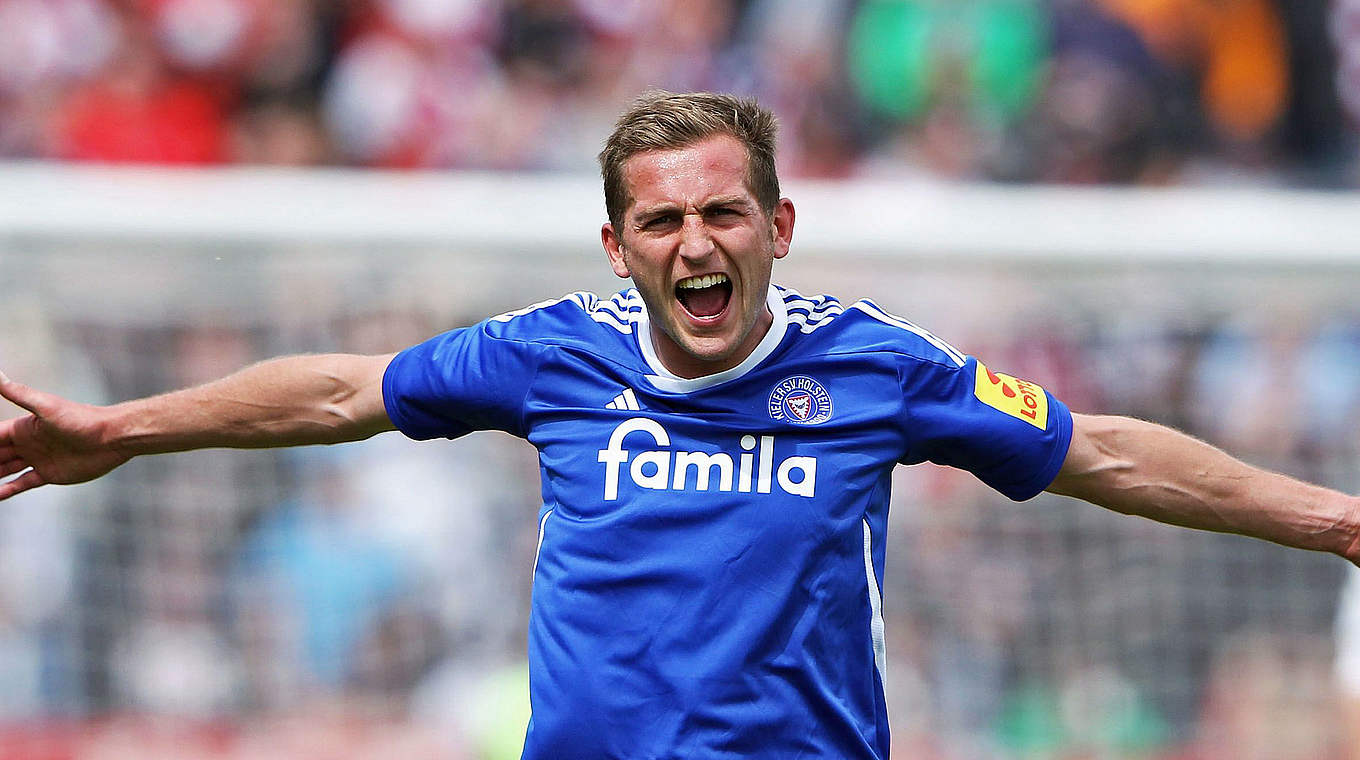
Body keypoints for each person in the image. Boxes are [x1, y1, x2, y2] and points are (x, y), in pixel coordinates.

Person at [1, 91, 1356, 759]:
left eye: (721, 214)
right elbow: (343, 388)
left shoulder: (878, 365)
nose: (694, 243)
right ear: (618, 245)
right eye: (662, 220)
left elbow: (1103, 450)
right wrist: (120, 426)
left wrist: (1336, 518)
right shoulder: (552, 355)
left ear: (776, 228)